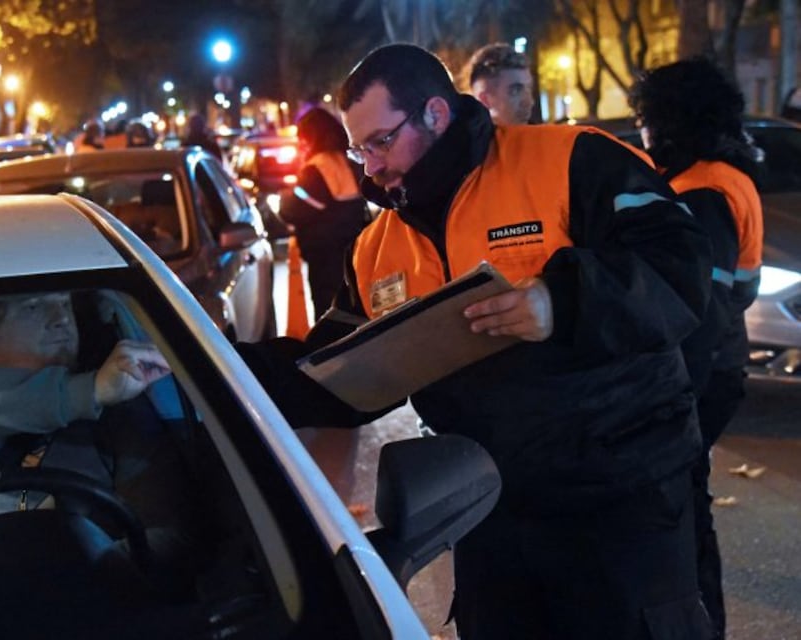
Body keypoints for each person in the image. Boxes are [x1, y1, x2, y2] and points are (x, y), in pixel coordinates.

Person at [237, 43, 714, 639]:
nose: (369, 168)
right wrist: (217, 368)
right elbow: (340, 374)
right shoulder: (377, 246)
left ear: (434, 114)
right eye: (359, 149)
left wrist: (559, 303)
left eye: (380, 142)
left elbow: (681, 266)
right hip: (490, 510)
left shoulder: (569, 159)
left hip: (620, 499)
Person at [0, 292, 201, 567]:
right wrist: (88, 392)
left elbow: (164, 536)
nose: (60, 318)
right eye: (34, 306)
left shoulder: (118, 415)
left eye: (64, 303)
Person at [629, 58, 764, 640]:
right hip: (723, 365)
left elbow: (697, 312)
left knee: (679, 516)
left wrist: (666, 401)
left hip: (701, 376)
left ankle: (697, 625)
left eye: (646, 120)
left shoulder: (703, 192)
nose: (642, 133)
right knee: (689, 505)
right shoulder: (729, 178)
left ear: (668, 123)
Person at [278, 107, 369, 319]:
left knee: (329, 315)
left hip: (324, 255)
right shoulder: (350, 161)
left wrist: (285, 197)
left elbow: (293, 210)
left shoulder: (314, 169)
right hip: (356, 251)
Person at [467, 42, 534, 125]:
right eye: (515, 91)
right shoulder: (461, 137)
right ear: (485, 100)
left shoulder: (544, 136)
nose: (529, 102)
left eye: (529, 89)